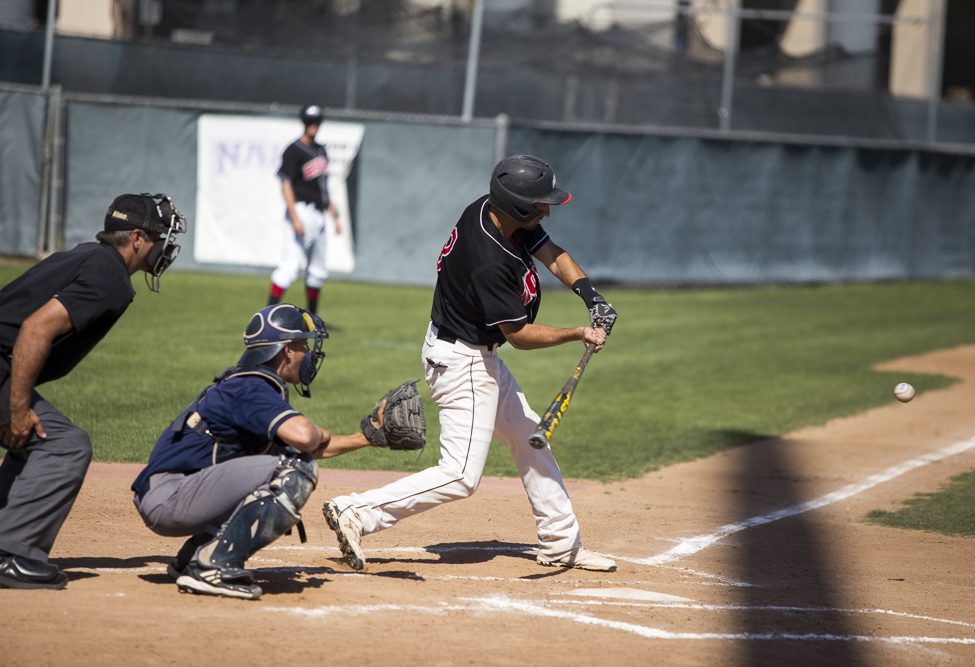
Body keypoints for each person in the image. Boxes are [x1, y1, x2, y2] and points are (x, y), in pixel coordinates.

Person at [324, 155, 619, 572]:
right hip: (463, 361)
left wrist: (592, 298)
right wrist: (578, 333)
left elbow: (550, 252)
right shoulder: (488, 260)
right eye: (540, 204)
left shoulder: (491, 209)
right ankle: (355, 511)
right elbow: (517, 336)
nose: (547, 210)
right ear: (517, 206)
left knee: (529, 435)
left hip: (473, 352)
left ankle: (561, 543)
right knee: (461, 474)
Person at [0, 192, 187, 590]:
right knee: (65, 445)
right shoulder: (109, 276)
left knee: (36, 437)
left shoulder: (93, 256)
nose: (164, 249)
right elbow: (35, 328)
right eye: (159, 238)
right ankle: (13, 554)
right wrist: (17, 407)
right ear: (137, 238)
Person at [131, 304, 379, 600]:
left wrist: (368, 438)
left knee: (284, 462)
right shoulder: (252, 388)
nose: (308, 354)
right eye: (304, 345)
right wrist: (320, 432)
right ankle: (213, 567)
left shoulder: (250, 384)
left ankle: (194, 556)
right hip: (171, 497)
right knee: (295, 470)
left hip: (174, 493)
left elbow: (310, 447)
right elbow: (304, 438)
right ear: (287, 350)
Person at [267, 104, 342, 315]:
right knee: (289, 267)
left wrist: (334, 217)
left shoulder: (320, 149)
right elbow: (285, 183)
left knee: (318, 270)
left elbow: (324, 188)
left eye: (316, 121)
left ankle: (313, 319)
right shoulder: (294, 149)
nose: (313, 125)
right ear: (304, 123)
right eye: (310, 121)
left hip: (319, 213)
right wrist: (294, 216)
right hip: (301, 211)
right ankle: (266, 315)